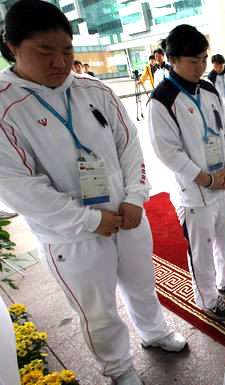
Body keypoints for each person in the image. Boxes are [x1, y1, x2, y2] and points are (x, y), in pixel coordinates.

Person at [0, 1, 186, 384]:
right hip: (72, 235)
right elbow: (20, 187)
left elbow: (129, 144)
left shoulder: (94, 89)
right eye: (45, 51)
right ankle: (118, 369)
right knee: (97, 311)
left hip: (127, 215)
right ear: (12, 47)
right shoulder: (6, 107)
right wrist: (89, 220)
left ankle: (154, 333)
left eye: (67, 50)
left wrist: (135, 196)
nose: (60, 62)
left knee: (142, 283)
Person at [148, 24, 225, 322]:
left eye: (203, 59)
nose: (201, 67)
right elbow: (168, 151)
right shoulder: (162, 100)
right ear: (173, 59)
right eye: (194, 61)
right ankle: (207, 299)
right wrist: (205, 178)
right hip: (195, 191)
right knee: (201, 250)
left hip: (224, 182)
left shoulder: (208, 88)